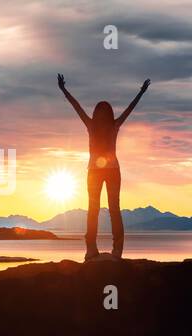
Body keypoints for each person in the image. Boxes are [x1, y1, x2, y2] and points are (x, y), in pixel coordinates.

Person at [58, 73, 150, 261]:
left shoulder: (105, 125)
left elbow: (129, 109)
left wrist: (141, 92)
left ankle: (109, 250)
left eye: (102, 111)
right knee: (102, 209)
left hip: (105, 171)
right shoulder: (99, 125)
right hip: (99, 172)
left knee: (106, 209)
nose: (99, 114)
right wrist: (64, 90)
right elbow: (77, 107)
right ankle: (95, 250)